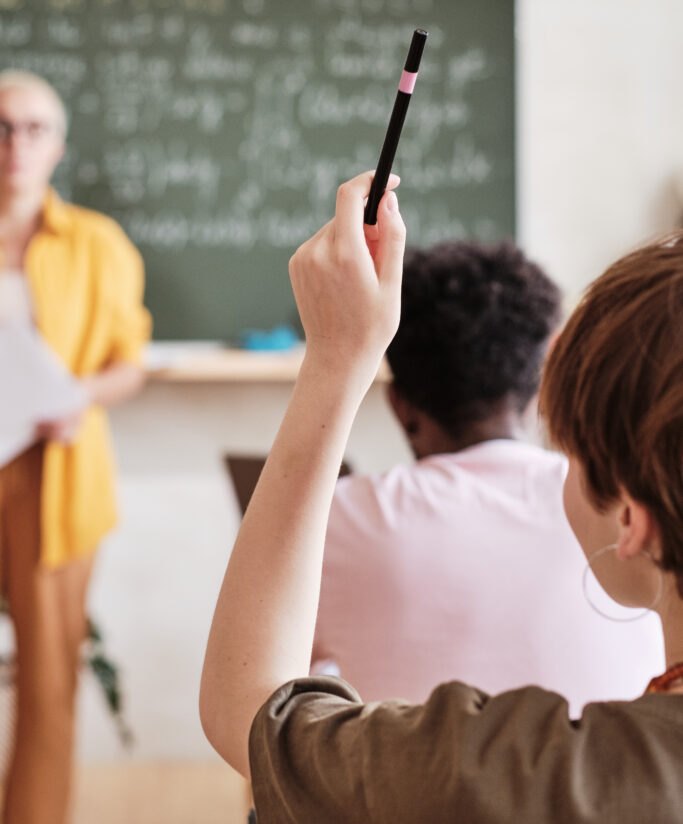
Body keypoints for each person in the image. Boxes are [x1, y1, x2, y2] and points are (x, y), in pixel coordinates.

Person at [200, 171, 683, 822]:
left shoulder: (521, 770)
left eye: (568, 451)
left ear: (630, 517)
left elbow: (251, 716)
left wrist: (336, 359)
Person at [312, 241, 663, 712]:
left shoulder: (338, 517)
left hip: (409, 782)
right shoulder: (616, 502)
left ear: (402, 408)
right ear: (540, 386)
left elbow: (266, 691)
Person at [0, 70, 150, 824]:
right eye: (1, 126)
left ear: (58, 144)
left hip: (53, 479)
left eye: (32, 128)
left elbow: (130, 362)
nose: (14, 144)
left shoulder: (98, 243)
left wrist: (75, 400)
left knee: (47, 675)